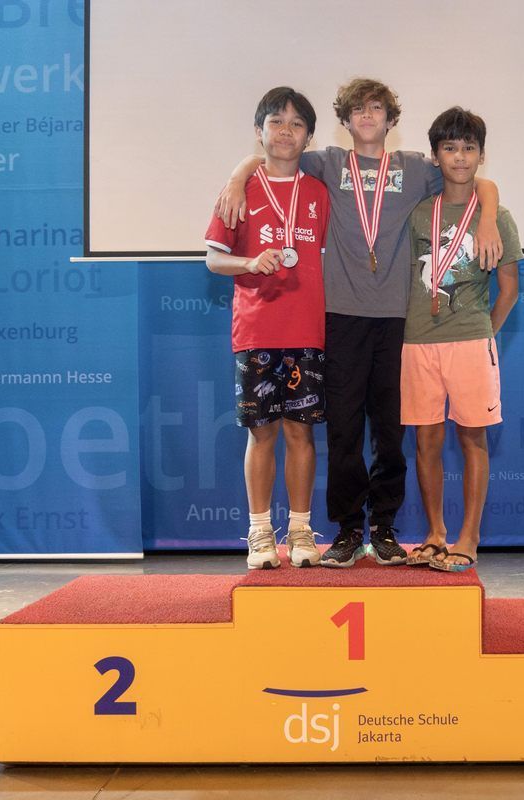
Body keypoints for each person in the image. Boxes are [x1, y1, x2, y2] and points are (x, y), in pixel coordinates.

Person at [217, 78, 504, 567]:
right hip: (341, 315)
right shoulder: (325, 162)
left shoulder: (416, 168)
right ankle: (349, 530)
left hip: (398, 320)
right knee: (345, 430)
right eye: (357, 110)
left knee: (390, 431)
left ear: (391, 121)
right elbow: (272, 155)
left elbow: (474, 178)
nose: (367, 116)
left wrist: (491, 215)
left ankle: (386, 529)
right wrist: (237, 176)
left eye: (377, 109)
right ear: (344, 121)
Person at [205, 87, 331, 569]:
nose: (285, 130)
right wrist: (250, 262)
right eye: (276, 121)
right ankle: (260, 533)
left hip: (306, 332)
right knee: (262, 435)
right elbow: (214, 262)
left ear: (310, 137)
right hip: (256, 330)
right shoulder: (237, 190)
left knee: (302, 434)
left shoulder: (319, 194)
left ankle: (301, 530)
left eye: (297, 124)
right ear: (258, 131)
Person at [401, 107, 521, 572]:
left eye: (469, 148)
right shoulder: (418, 215)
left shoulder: (497, 217)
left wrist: (482, 333)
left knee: (473, 441)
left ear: (481, 155)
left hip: (471, 342)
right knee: (426, 443)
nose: (459, 156)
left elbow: (509, 290)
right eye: (450, 147)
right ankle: (434, 534)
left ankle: (468, 537)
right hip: (417, 342)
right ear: (435, 156)